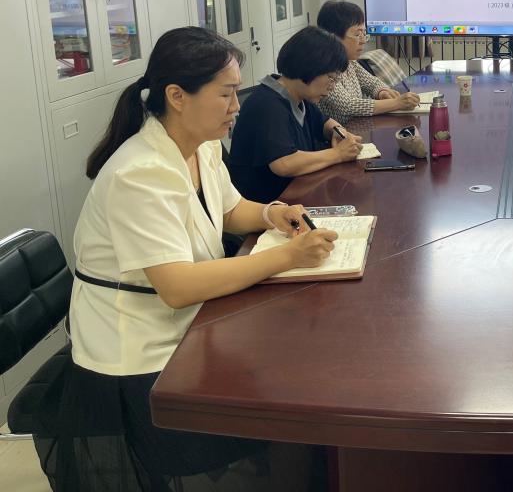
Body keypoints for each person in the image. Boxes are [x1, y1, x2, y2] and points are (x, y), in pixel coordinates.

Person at [37, 26, 337, 491]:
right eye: (226, 94)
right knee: (290, 403)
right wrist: (286, 257)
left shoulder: (203, 145)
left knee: (297, 365)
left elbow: (229, 210)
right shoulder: (139, 173)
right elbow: (177, 287)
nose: (236, 107)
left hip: (190, 323)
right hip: (141, 356)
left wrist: (273, 213)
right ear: (177, 96)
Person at [228, 25, 362, 202]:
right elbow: (284, 163)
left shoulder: (299, 96)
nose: (332, 86)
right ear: (309, 66)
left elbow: (324, 122)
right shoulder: (267, 104)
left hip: (295, 196)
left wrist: (338, 132)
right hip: (267, 207)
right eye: (331, 78)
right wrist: (338, 154)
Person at [316, 0, 420, 121]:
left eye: (364, 34)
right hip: (339, 130)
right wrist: (397, 103)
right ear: (333, 37)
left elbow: (371, 83)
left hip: (356, 126)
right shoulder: (324, 69)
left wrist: (382, 91)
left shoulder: (350, 62)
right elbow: (348, 105)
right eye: (357, 35)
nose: (363, 41)